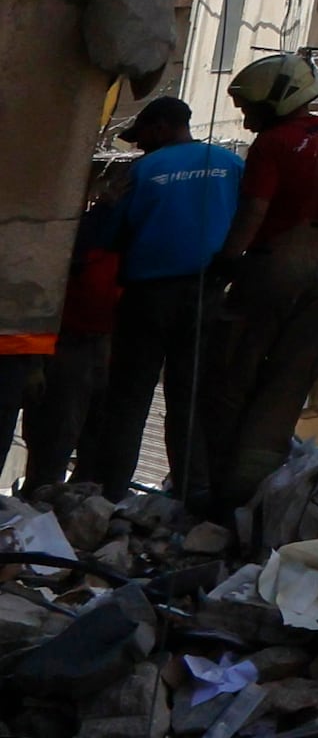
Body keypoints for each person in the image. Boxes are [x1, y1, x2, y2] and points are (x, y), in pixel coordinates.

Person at [193, 55, 318, 510]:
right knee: (291, 379)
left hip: (276, 263)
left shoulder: (274, 144)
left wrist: (227, 261)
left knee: (236, 370)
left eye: (250, 106)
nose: (246, 116)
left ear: (276, 100)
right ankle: (257, 489)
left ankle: (222, 488)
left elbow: (255, 210)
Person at [81, 96, 238, 495]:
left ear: (163, 127)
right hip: (209, 292)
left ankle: (111, 492)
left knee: (130, 399)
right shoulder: (233, 164)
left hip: (149, 296)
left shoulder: (145, 170)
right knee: (190, 398)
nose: (140, 146)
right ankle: (193, 494)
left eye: (143, 136)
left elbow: (108, 235)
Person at [21, 191, 122, 500]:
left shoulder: (106, 243)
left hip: (95, 340)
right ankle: (44, 496)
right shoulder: (77, 246)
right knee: (59, 431)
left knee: (83, 429)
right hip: (71, 341)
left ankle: (60, 494)